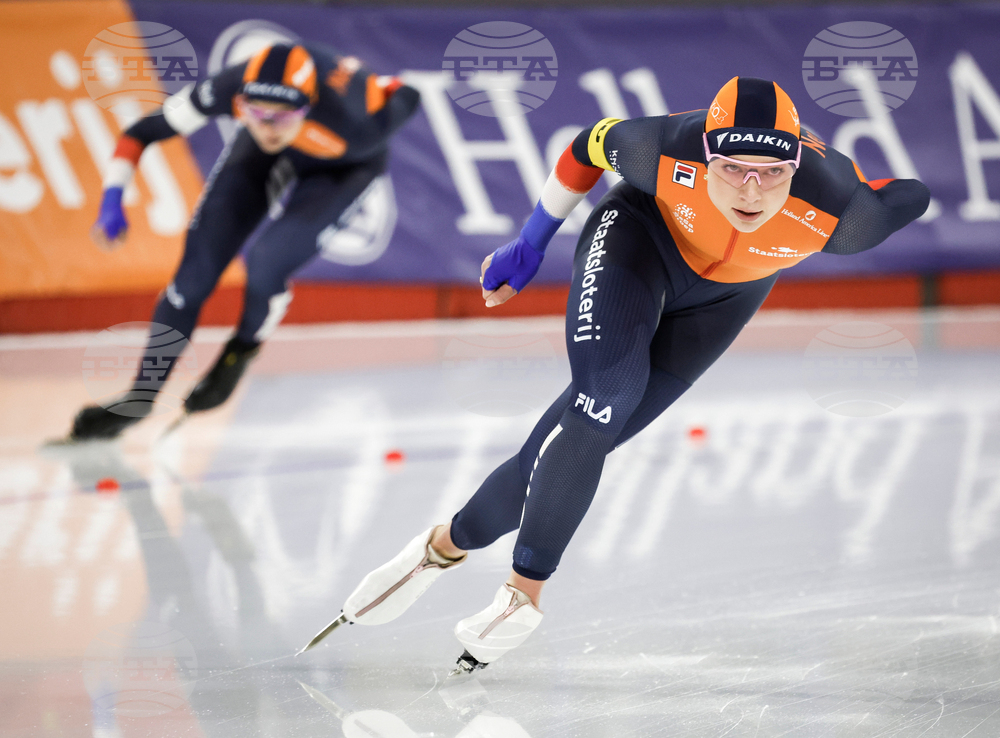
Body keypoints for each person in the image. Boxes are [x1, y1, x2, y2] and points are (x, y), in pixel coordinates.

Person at [301, 77, 930, 673]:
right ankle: (523, 595)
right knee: (605, 399)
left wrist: (865, 184)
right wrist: (531, 241)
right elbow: (583, 147)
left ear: (796, 169)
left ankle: (442, 546)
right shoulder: (657, 149)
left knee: (578, 440)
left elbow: (909, 195)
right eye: (733, 169)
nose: (751, 192)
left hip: (726, 299)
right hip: (638, 241)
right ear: (704, 157)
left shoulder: (844, 215)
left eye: (772, 174)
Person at [70, 43, 420, 440]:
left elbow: (408, 92)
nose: (269, 126)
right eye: (255, 113)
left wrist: (377, 82)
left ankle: (239, 352)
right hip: (269, 154)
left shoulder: (359, 124)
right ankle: (141, 395)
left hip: (344, 167)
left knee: (268, 261)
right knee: (192, 277)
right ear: (240, 101)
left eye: (282, 116)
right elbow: (140, 132)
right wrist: (112, 198)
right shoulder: (229, 87)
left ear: (308, 105)